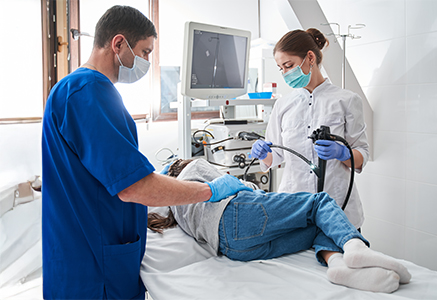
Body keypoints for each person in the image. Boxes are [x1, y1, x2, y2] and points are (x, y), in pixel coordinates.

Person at [41, 6, 251, 300]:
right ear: (118, 44)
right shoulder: (88, 93)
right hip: (94, 269)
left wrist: (156, 177)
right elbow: (133, 187)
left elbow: (108, 170)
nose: (148, 62)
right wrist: (208, 191)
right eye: (145, 52)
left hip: (96, 254)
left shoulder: (75, 89)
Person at [149, 158, 411, 293]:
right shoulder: (192, 167)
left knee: (319, 228)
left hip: (235, 248)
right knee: (319, 203)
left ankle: (337, 265)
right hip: (237, 213)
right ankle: (356, 249)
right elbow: (232, 184)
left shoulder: (175, 210)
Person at [250, 28, 369, 228]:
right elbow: (274, 158)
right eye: (281, 68)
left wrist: (343, 152)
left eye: (289, 65)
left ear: (310, 58)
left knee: (341, 258)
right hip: (294, 207)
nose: (285, 73)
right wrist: (262, 152)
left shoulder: (347, 100)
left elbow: (362, 155)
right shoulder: (283, 105)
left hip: (339, 207)